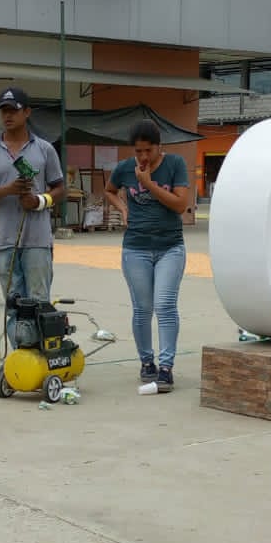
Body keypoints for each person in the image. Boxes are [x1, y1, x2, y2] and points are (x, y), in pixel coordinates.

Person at [0, 86, 65, 370]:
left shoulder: (44, 149)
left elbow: (60, 188)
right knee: (14, 305)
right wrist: (7, 190)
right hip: (7, 241)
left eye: (13, 110)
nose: (7, 116)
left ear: (27, 112)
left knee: (39, 302)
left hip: (37, 240)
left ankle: (42, 361)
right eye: (4, 111)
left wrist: (39, 201)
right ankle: (19, 362)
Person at [106, 120, 191, 393]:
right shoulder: (124, 168)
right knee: (142, 309)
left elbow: (180, 205)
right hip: (135, 248)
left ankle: (166, 368)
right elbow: (109, 190)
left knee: (165, 304)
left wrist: (148, 184)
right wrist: (123, 208)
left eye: (149, 150)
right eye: (138, 151)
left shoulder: (175, 164)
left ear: (159, 146)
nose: (143, 157)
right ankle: (146, 362)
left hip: (170, 247)